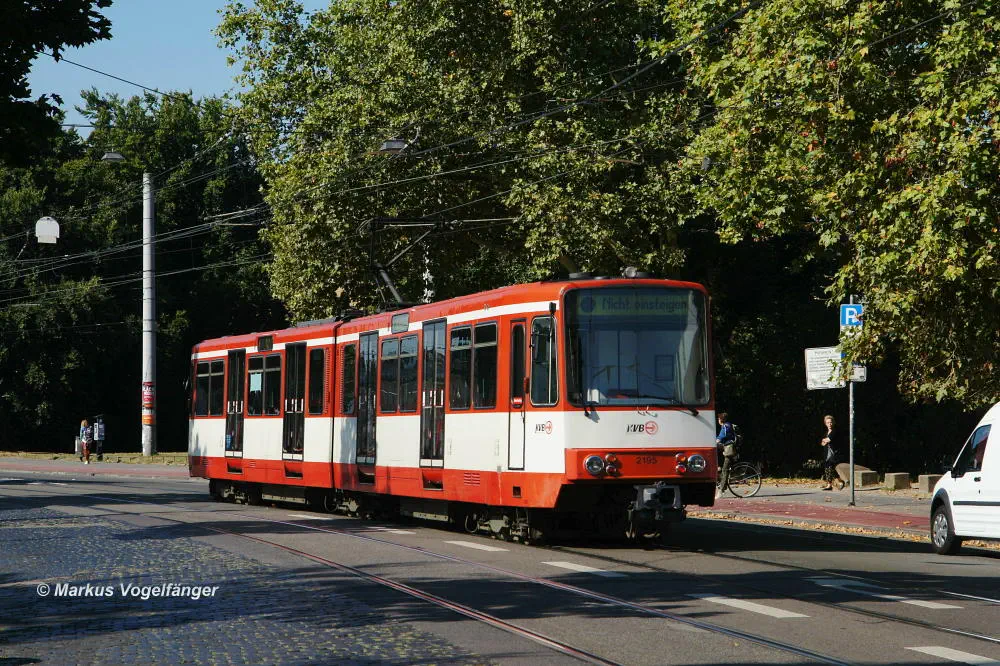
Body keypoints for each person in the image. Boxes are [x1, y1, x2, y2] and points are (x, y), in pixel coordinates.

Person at [819, 414, 844, 490]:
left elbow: (828, 440)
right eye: (828, 422)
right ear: (825, 423)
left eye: (831, 422)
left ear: (833, 422)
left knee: (831, 467)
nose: (829, 424)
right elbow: (822, 443)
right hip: (827, 453)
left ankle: (839, 481)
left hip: (834, 453)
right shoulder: (826, 432)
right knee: (827, 468)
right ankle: (831, 484)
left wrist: (825, 440)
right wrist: (824, 441)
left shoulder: (834, 431)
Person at [715, 412, 737, 498]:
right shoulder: (726, 425)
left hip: (729, 449)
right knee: (723, 467)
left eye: (719, 418)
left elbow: (722, 436)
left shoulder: (726, 426)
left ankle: (721, 490)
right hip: (727, 448)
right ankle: (718, 470)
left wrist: (717, 440)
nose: (718, 420)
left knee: (725, 469)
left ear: (721, 419)